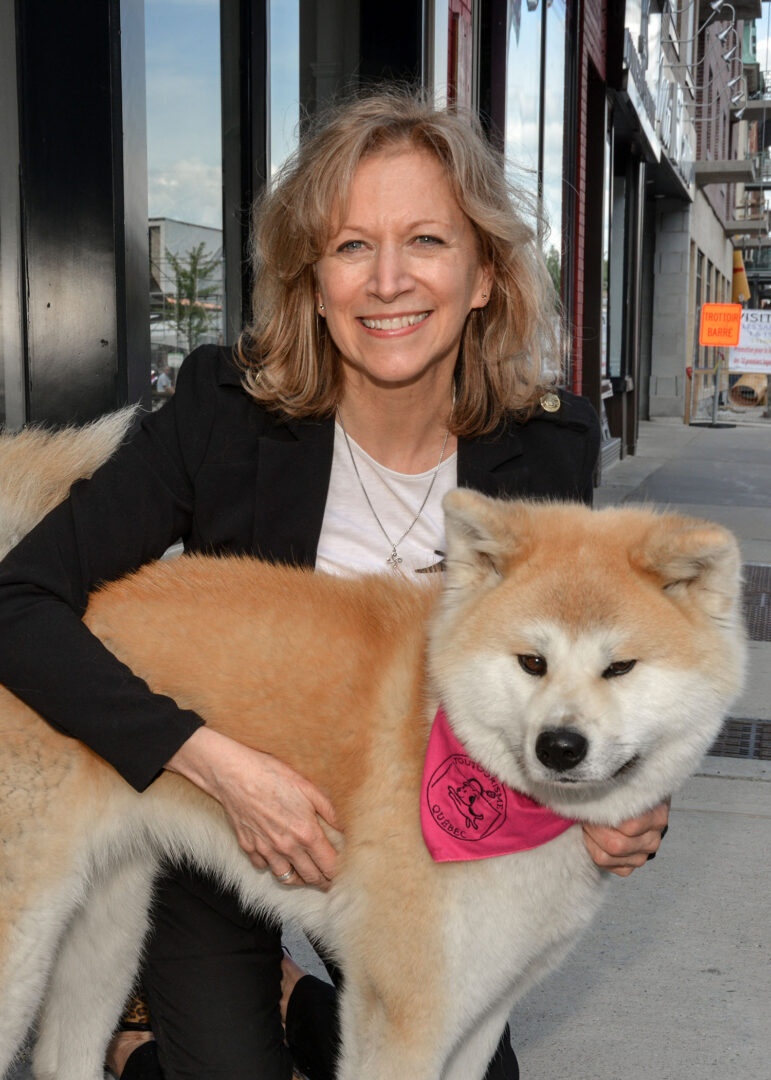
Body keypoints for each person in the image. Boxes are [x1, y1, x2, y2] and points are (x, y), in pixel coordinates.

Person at [0, 91, 669, 1080]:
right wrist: (215, 762)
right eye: (352, 246)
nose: (388, 281)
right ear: (311, 280)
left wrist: (626, 800)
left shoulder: (543, 449)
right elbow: (17, 605)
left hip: (413, 834)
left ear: (484, 274)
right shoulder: (225, 414)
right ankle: (162, 1040)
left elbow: (594, 666)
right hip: (209, 803)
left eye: (427, 242)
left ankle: (293, 997)